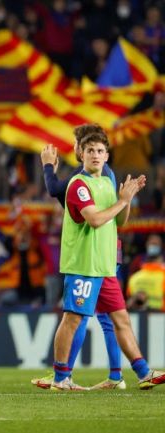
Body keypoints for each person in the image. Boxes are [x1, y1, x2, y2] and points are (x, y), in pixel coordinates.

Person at [50, 132, 164, 391]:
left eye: (100, 151)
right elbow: (95, 219)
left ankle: (143, 372)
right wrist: (122, 200)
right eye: (90, 150)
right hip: (83, 264)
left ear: (107, 156)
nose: (95, 155)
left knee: (121, 319)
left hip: (104, 266)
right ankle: (60, 379)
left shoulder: (105, 183)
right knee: (72, 319)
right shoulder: (78, 184)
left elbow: (118, 222)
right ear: (81, 154)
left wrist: (126, 202)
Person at [35, 124, 124, 390]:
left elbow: (55, 190)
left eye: (76, 143)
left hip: (95, 252)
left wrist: (48, 167)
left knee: (79, 315)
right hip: (107, 249)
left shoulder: (89, 173)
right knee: (105, 317)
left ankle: (64, 374)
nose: (75, 149)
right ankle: (113, 375)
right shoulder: (101, 173)